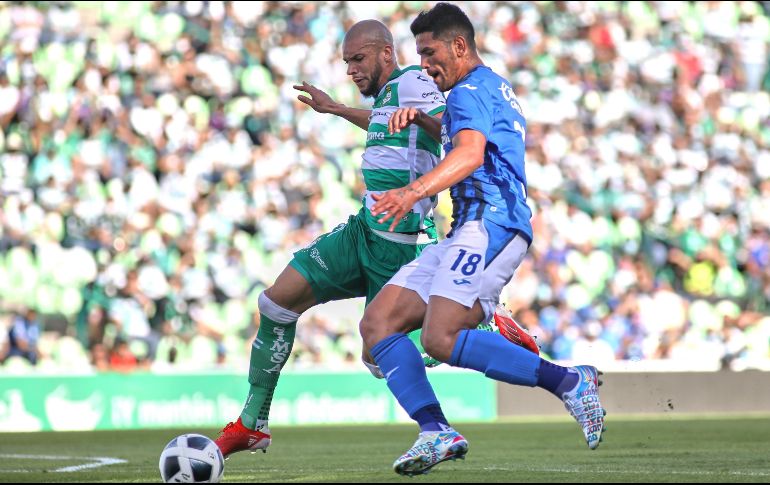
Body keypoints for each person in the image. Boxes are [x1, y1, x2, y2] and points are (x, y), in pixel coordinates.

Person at [214, 19, 538, 459]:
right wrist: (337, 110)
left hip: (402, 243)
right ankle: (253, 423)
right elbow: (386, 123)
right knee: (276, 302)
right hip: (363, 231)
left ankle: (480, 322)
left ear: (386, 53)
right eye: (347, 61)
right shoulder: (390, 94)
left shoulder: (414, 82)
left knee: (377, 358)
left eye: (358, 59)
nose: (351, 69)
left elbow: (447, 130)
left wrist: (421, 131)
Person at [359, 3, 606, 476]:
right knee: (377, 325)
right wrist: (422, 122)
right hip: (467, 229)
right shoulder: (489, 87)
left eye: (430, 54)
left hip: (491, 224)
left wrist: (412, 191)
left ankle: (568, 382)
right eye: (419, 55)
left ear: (459, 45)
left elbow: (470, 153)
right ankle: (436, 432)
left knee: (440, 337)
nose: (425, 66)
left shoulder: (467, 93)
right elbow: (469, 139)